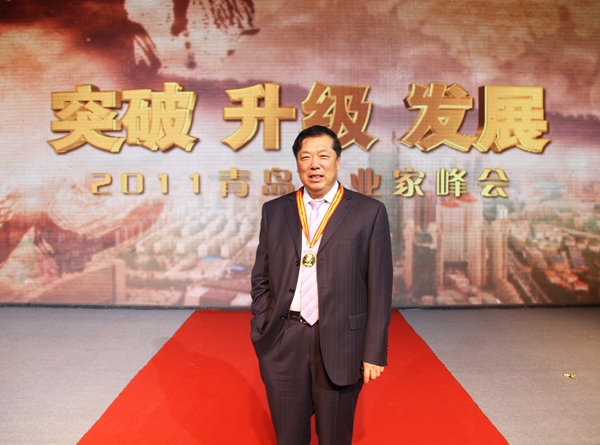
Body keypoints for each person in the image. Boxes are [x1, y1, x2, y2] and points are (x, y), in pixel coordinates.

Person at [250, 125, 393, 445]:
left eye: (323, 156)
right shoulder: (275, 211)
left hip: (342, 341)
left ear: (338, 162)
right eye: (306, 157)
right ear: (297, 164)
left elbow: (380, 289)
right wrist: (263, 326)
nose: (315, 164)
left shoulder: (369, 212)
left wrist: (374, 351)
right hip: (284, 340)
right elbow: (261, 277)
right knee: (289, 437)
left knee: (335, 438)